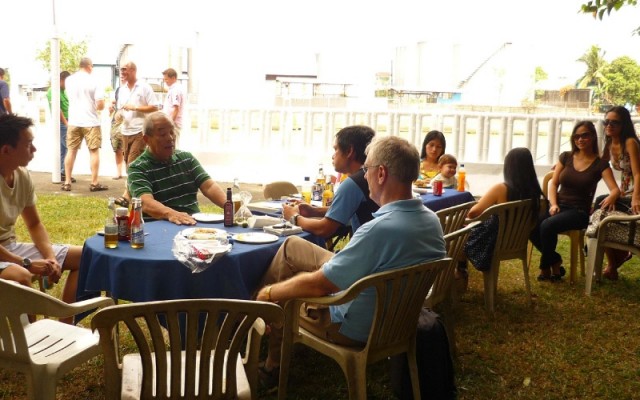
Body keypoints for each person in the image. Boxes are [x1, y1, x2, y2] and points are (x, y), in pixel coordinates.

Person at [255, 136, 446, 390]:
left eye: (366, 169)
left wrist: (269, 293)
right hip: (397, 318)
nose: (364, 176)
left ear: (381, 173)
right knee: (292, 246)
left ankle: (270, 362)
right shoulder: (431, 221)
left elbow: (320, 285)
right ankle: (260, 317)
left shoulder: (378, 230)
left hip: (351, 326)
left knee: (284, 297)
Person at [0, 114, 80, 323]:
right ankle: (32, 339)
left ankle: (66, 326)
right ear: (6, 150)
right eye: (28, 145)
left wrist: (50, 257)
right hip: (8, 256)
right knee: (22, 276)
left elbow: (34, 223)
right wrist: (26, 263)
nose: (34, 149)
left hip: (9, 249)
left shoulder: (22, 175)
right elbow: (23, 266)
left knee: (84, 257)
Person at [530, 121, 619, 281]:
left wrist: (613, 195)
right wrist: (553, 204)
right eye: (576, 136)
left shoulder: (600, 164)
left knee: (547, 225)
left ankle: (545, 268)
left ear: (593, 137)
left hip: (578, 212)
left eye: (585, 135)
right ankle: (555, 261)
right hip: (558, 206)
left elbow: (615, 189)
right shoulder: (566, 157)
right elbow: (553, 183)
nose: (580, 139)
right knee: (531, 225)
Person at [127, 112, 226, 225]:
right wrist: (171, 214)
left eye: (172, 132)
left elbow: (209, 187)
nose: (170, 138)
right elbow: (145, 202)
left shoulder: (186, 158)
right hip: (160, 226)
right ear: (146, 139)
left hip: (192, 223)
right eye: (163, 134)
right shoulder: (137, 168)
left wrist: (231, 207)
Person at [281, 125, 378, 238]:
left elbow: (324, 229)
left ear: (349, 151)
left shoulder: (352, 184)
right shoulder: (372, 176)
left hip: (365, 248)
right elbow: (346, 209)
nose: (333, 156)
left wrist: (293, 217)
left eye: (336, 149)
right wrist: (314, 211)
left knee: (291, 243)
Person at [464, 148, 543, 276]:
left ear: (509, 166)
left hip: (491, 242)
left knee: (455, 237)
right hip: (515, 241)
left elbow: (473, 213)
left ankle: (459, 273)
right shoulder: (534, 192)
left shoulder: (501, 189)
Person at [596, 106, 640, 280]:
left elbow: (638, 173)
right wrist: (566, 161)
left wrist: (636, 198)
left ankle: (613, 263)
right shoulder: (609, 144)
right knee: (603, 206)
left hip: (636, 192)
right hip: (625, 192)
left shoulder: (630, 142)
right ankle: (615, 261)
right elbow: (598, 164)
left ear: (624, 124)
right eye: (606, 122)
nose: (609, 125)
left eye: (615, 122)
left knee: (601, 204)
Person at [116, 61, 158, 206]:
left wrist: (135, 108)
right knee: (128, 163)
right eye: (121, 70)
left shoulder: (144, 87)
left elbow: (155, 107)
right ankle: (139, 192)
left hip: (140, 131)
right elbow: (121, 108)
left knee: (132, 163)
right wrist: (118, 114)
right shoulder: (122, 89)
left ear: (133, 70)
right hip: (125, 131)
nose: (122, 72)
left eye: (125, 69)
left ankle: (127, 196)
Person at [62, 57, 108, 192]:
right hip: (91, 121)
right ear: (89, 66)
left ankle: (67, 181)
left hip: (74, 121)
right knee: (94, 151)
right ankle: (94, 183)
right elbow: (100, 105)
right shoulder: (95, 80)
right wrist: (101, 105)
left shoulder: (69, 80)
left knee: (71, 150)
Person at [46, 71, 74, 181]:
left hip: (67, 121)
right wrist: (66, 123)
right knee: (68, 147)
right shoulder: (53, 91)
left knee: (64, 148)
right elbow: (58, 109)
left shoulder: (63, 91)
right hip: (62, 122)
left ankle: (62, 172)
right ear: (61, 80)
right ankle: (64, 173)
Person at [161, 68, 184, 143]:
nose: (165, 81)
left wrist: (170, 123)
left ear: (173, 78)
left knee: (172, 145)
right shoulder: (172, 89)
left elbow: (176, 109)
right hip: (171, 123)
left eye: (166, 79)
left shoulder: (175, 90)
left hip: (173, 124)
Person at [108, 80, 125, 180]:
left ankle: (131, 172)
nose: (122, 76)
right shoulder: (119, 89)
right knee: (117, 147)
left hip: (128, 122)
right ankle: (119, 172)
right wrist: (111, 106)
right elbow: (115, 101)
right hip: (116, 122)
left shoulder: (135, 89)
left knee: (129, 148)